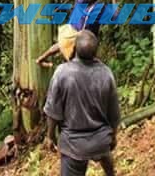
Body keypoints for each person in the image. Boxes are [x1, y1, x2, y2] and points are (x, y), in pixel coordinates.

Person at [44, 30, 121, 176]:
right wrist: (113, 137)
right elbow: (114, 114)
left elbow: (52, 111)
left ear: (74, 49)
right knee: (104, 155)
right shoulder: (106, 73)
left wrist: (50, 136)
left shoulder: (62, 73)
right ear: (96, 52)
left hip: (73, 144)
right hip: (100, 140)